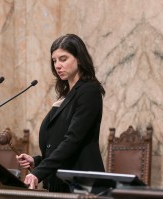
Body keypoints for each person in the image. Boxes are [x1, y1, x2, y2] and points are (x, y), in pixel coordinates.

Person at [16, 34, 105, 193]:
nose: (57, 65)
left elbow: (73, 140)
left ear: (79, 58)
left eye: (63, 59)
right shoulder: (66, 95)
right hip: (61, 182)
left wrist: (39, 172)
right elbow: (57, 142)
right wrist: (37, 161)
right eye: (54, 60)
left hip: (82, 186)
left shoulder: (88, 91)